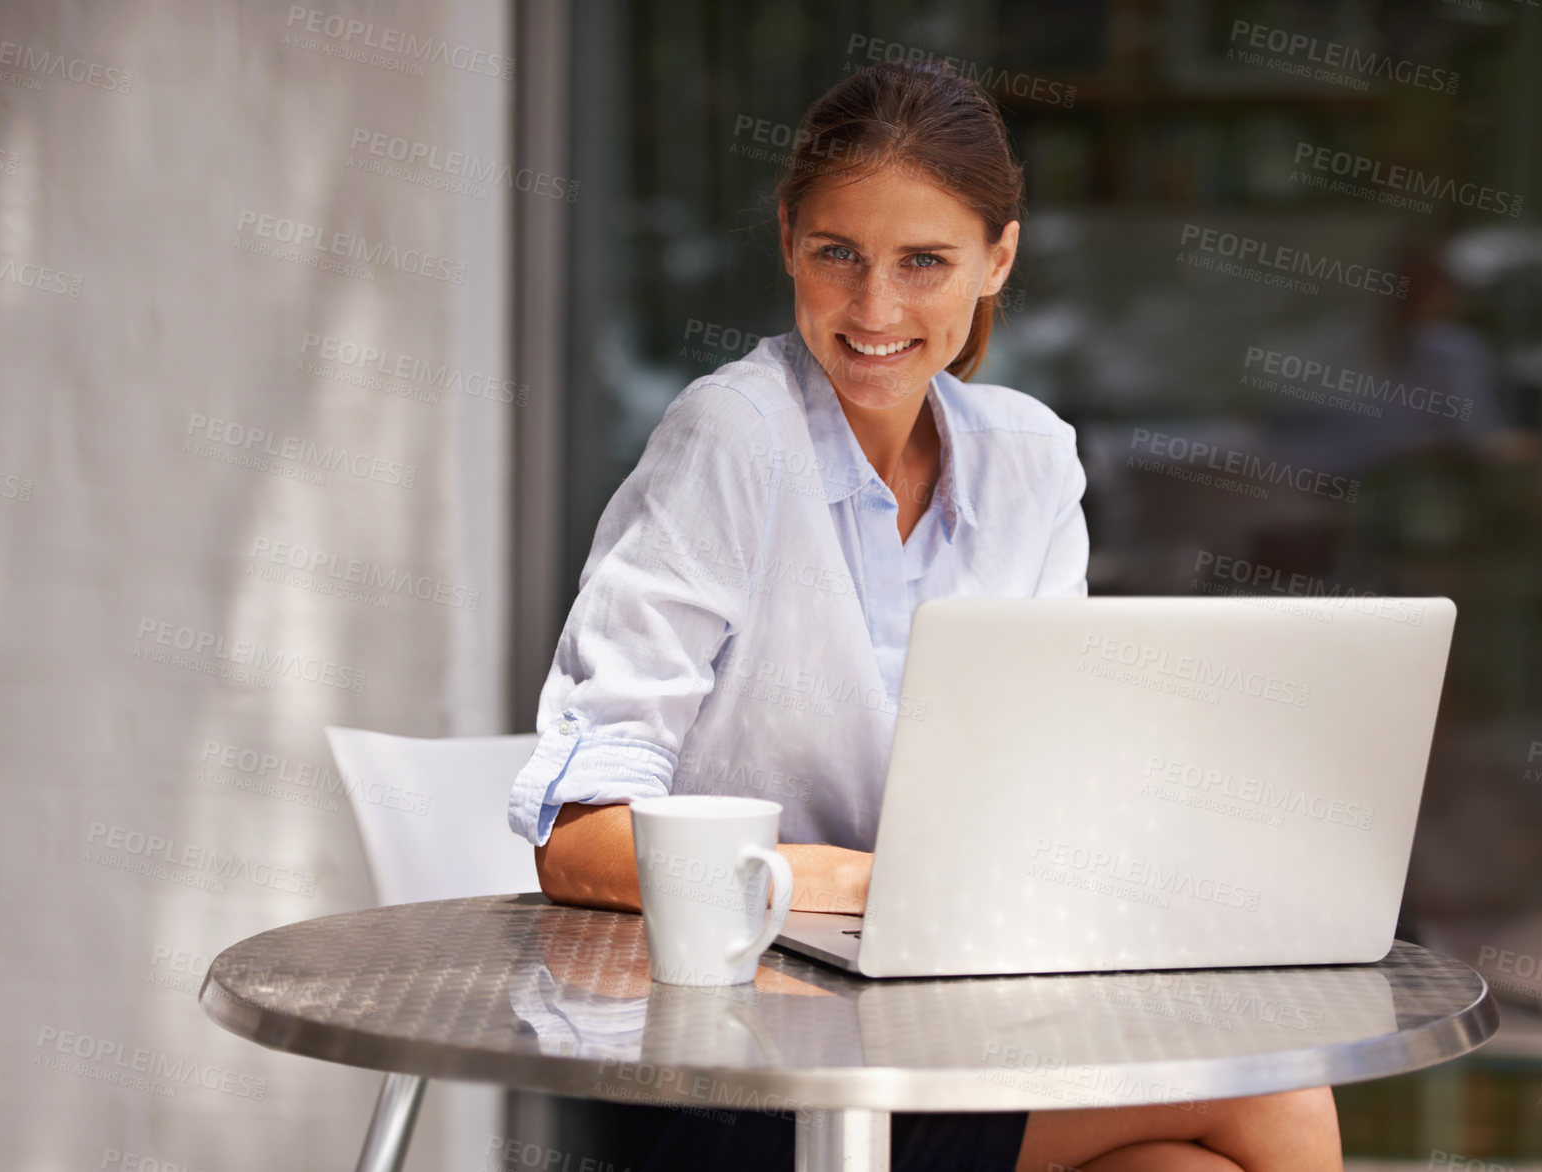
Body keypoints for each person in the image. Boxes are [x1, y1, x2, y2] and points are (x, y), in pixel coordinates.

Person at [506, 60, 1343, 1172]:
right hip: (728, 1072)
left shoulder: (1030, 463)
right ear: (787, 240)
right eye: (836, 254)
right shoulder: (732, 442)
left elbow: (1048, 792)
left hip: (945, 1028)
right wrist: (860, 878)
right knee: (1270, 1087)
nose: (874, 309)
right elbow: (579, 841)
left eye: (924, 262)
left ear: (998, 258)